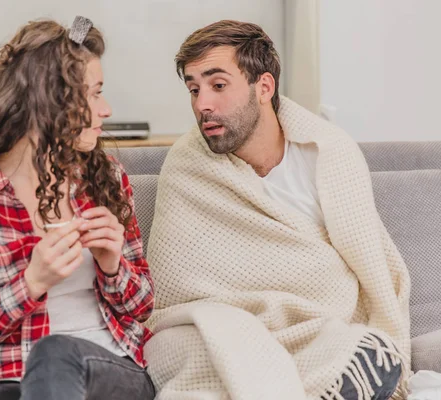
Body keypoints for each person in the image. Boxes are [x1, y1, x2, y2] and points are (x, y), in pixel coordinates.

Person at [144, 20, 410, 400]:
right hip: (217, 331)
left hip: (317, 327)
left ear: (263, 87)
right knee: (172, 348)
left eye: (218, 86)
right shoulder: (186, 164)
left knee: (368, 353)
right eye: (193, 88)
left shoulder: (328, 154)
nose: (203, 103)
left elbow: (370, 269)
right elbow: (173, 297)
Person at [0, 17, 155, 400]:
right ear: (49, 102)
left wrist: (112, 265)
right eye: (94, 94)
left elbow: (142, 307)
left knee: (56, 354)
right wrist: (31, 283)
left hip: (106, 369)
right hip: (2, 382)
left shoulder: (105, 178)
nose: (106, 109)